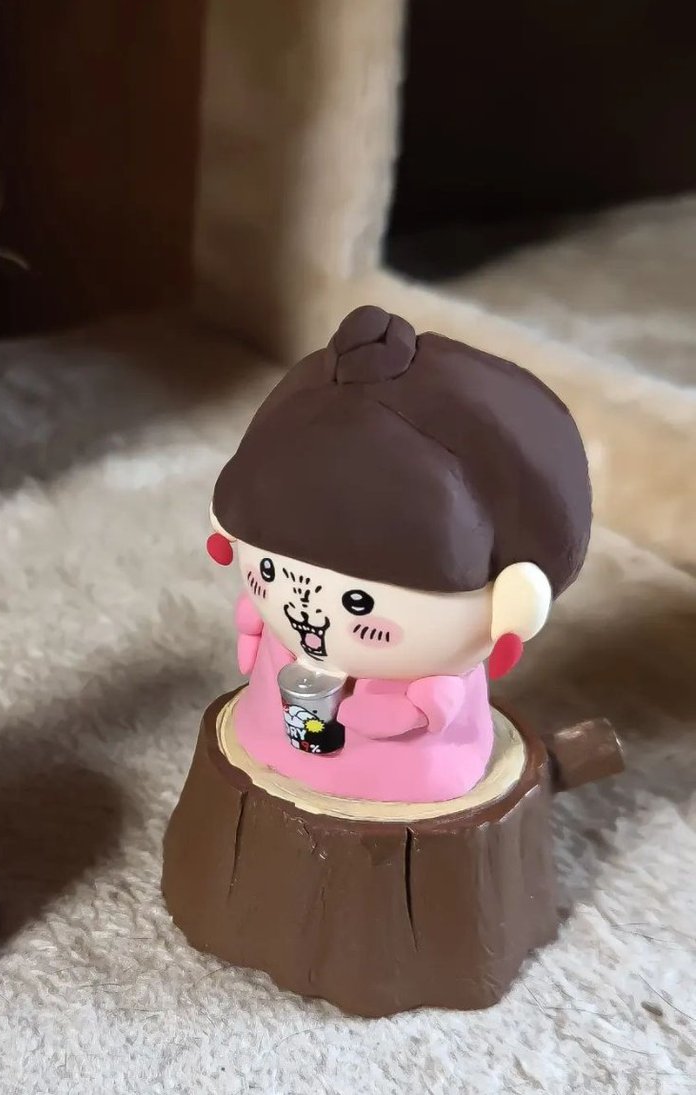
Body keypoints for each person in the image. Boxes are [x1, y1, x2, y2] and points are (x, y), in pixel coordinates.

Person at [208, 305, 592, 802]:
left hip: (407, 768)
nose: (306, 610)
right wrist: (259, 624)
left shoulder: (437, 667)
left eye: (358, 602)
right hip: (272, 724)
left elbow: (438, 699)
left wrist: (409, 710)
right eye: (268, 570)